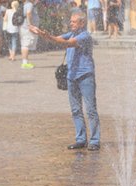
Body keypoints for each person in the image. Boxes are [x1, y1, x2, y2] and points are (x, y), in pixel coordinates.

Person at [29, 10, 101, 151]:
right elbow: (56, 39)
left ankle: (94, 140)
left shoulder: (84, 36)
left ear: (82, 23)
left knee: (91, 109)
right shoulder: (72, 33)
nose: (70, 23)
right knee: (75, 110)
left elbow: (67, 43)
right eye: (71, 21)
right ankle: (80, 139)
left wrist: (47, 35)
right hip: (71, 76)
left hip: (85, 76)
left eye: (73, 21)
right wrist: (40, 33)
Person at [19, 0, 39, 69]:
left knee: (26, 43)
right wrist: (30, 25)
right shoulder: (29, 4)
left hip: (25, 27)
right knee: (26, 44)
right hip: (27, 28)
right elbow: (28, 13)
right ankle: (24, 63)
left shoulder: (28, 4)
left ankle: (25, 62)